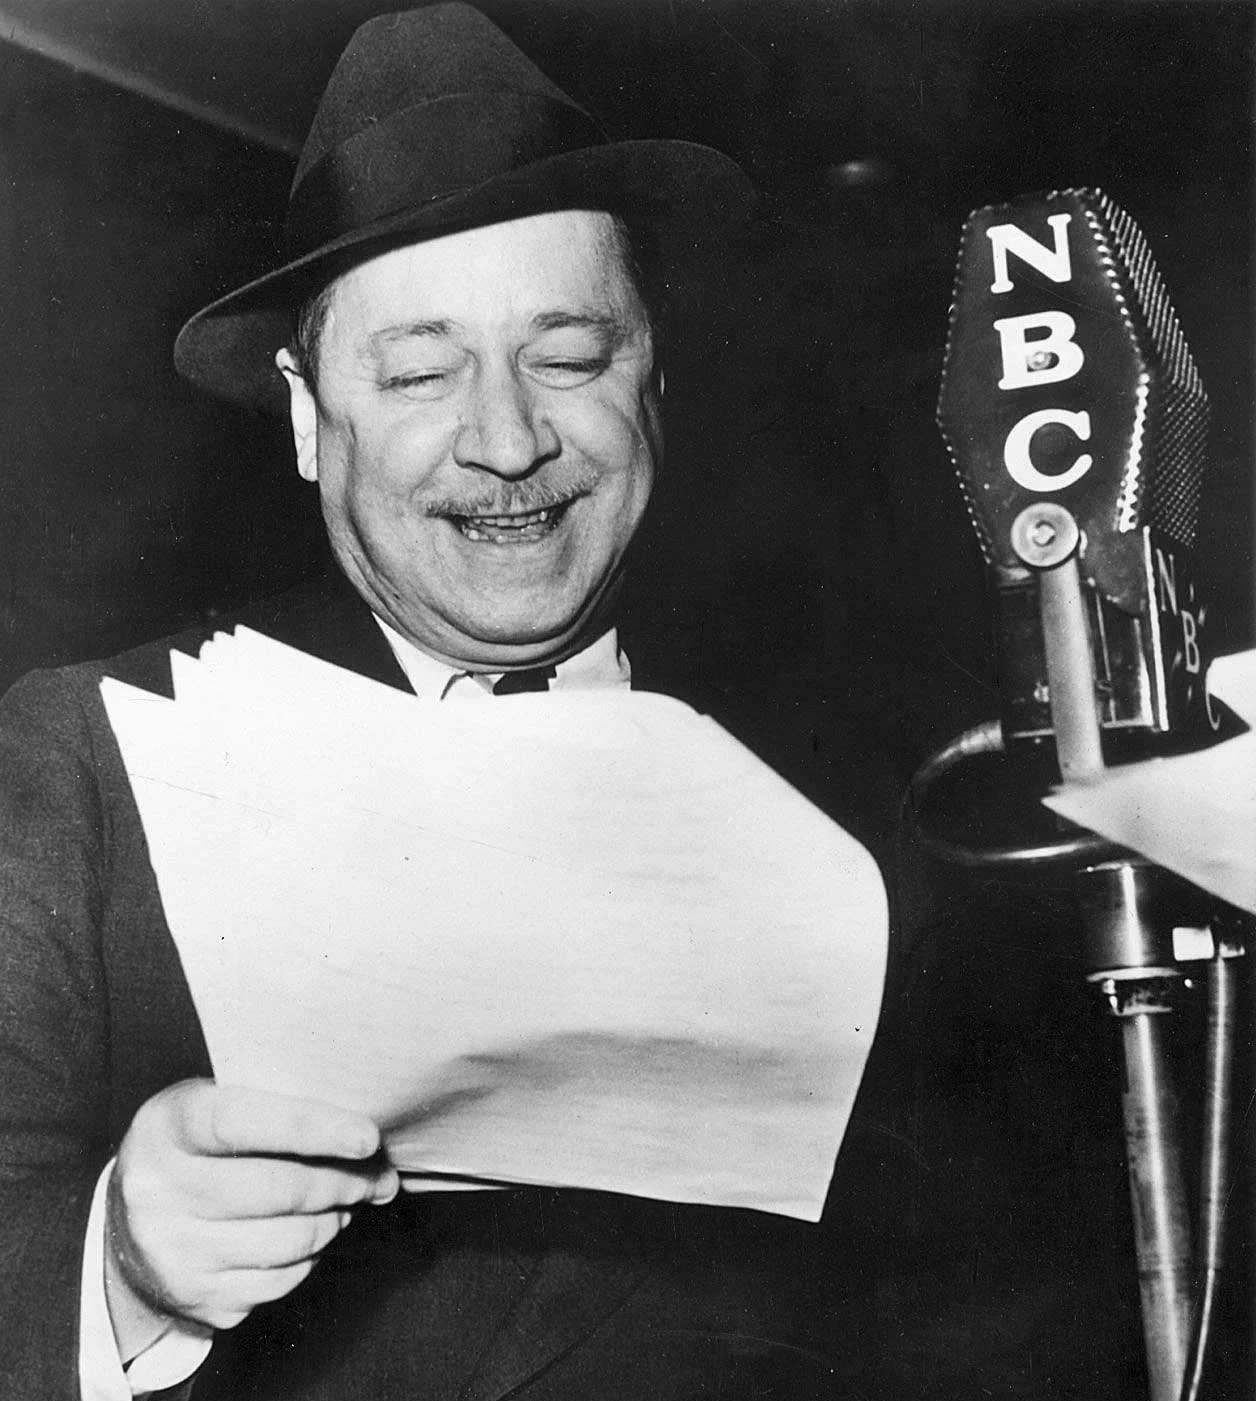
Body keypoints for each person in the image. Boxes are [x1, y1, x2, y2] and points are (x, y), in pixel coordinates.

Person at [0, 6, 873, 1398]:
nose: (510, 440)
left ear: (657, 377)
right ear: (308, 418)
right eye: (419, 371)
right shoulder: (85, 761)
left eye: (569, 357)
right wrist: (117, 1265)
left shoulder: (858, 779)